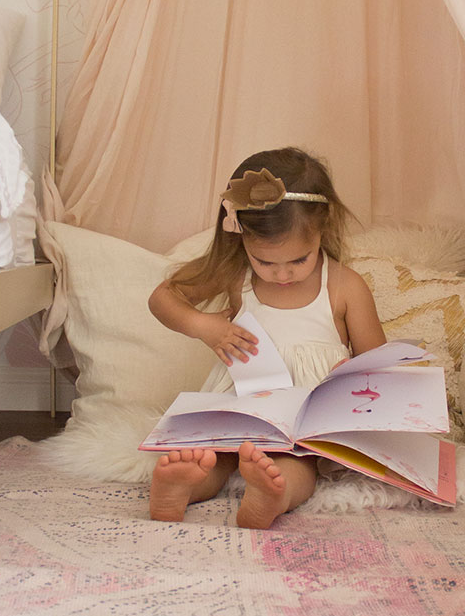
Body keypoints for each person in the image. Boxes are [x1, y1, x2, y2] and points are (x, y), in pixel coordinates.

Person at [147, 147, 386, 528]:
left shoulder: (344, 285)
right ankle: (182, 487)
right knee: (212, 455)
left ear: (322, 228)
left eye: (298, 260)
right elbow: (162, 299)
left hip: (305, 420)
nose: (282, 274)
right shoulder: (236, 274)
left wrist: (351, 375)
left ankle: (272, 496)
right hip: (243, 403)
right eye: (265, 262)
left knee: (296, 464)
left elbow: (379, 360)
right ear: (241, 236)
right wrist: (204, 326)